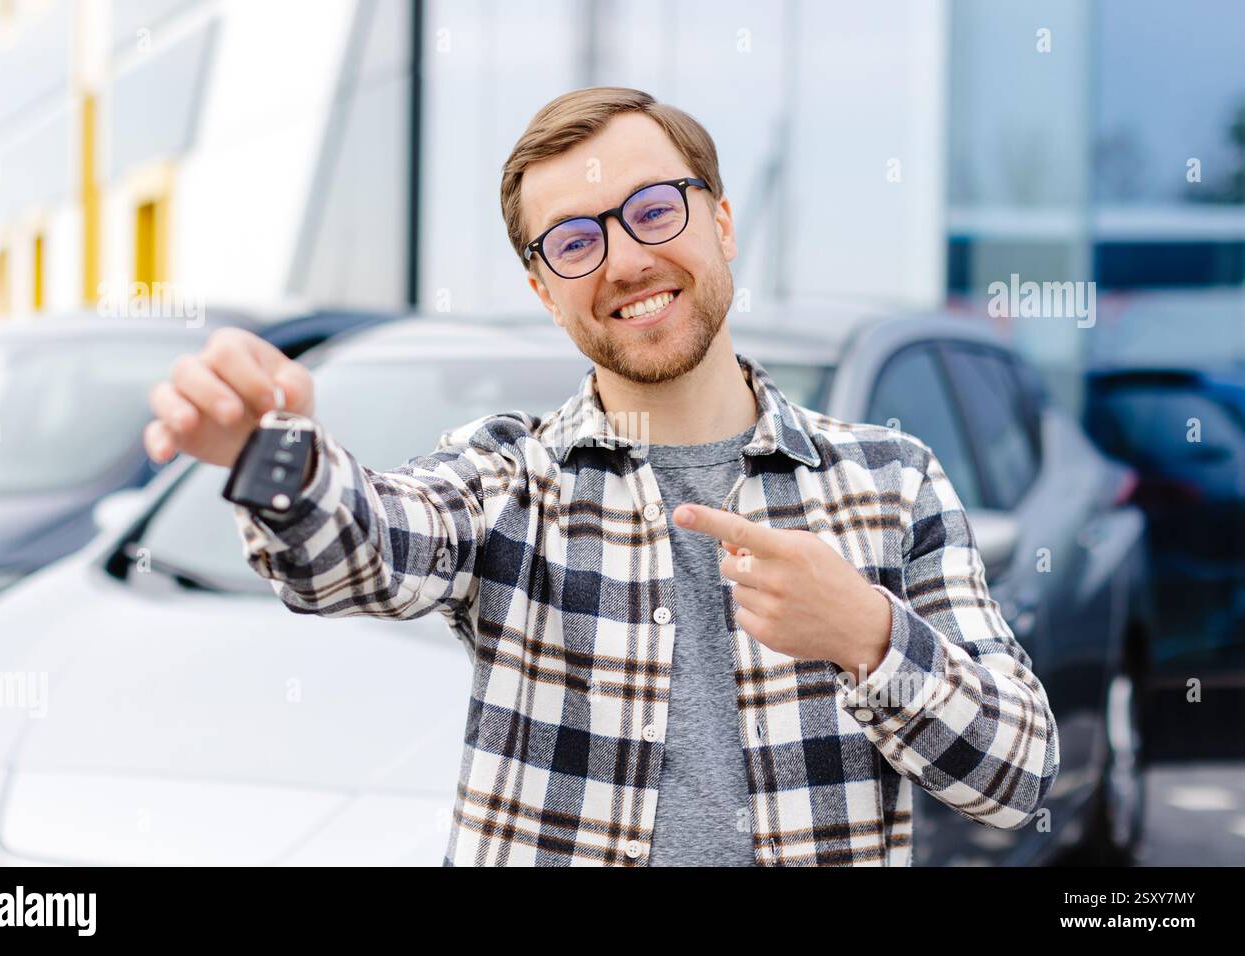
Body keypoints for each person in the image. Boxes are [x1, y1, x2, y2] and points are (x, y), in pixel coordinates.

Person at [143, 86, 1059, 867]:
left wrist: (865, 632)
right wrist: (272, 459)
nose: (624, 260)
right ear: (545, 289)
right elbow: (362, 549)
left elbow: (1016, 782)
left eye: (655, 210)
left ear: (723, 223)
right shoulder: (511, 480)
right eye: (575, 241)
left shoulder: (890, 483)